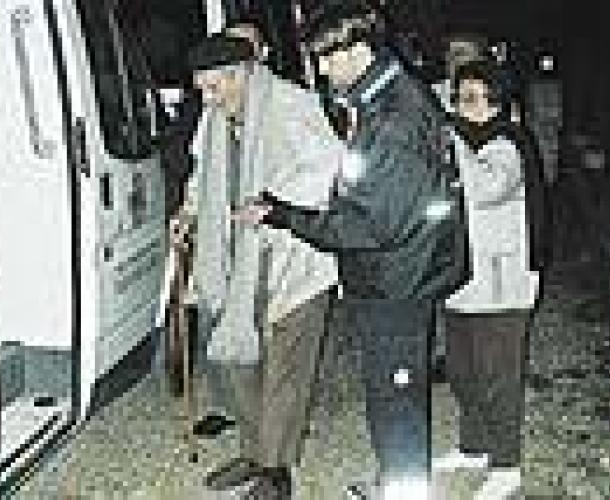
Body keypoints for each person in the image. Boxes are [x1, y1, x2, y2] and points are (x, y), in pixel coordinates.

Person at [234, 3, 469, 498]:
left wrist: (284, 216)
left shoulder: (395, 118)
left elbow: (370, 225)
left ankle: (404, 491)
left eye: (327, 58)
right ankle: (395, 482)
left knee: (397, 396)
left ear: (358, 48)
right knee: (389, 392)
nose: (322, 70)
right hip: (393, 273)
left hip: (397, 281)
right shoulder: (379, 102)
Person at [174, 29, 343, 498]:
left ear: (240, 75)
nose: (208, 99)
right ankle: (253, 452)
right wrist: (189, 210)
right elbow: (202, 171)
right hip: (235, 259)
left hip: (291, 257)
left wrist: (274, 202)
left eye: (214, 87)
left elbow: (328, 165)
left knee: (285, 370)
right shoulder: (215, 115)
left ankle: (276, 471)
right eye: (202, 89)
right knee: (239, 361)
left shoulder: (291, 104)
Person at [435, 60, 545, 500]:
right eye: (461, 98)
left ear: (498, 101)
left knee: (499, 376)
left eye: (477, 98)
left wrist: (450, 138)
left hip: (503, 285)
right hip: (462, 280)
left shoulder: (508, 143)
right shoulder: (463, 143)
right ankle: (474, 446)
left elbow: (485, 188)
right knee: (463, 372)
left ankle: (506, 464)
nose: (467, 107)